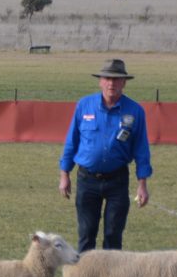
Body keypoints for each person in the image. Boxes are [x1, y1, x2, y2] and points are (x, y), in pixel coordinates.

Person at [58, 58, 152, 252]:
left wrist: (142, 185)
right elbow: (71, 141)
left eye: (117, 79)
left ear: (124, 82)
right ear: (100, 81)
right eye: (107, 79)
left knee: (113, 235)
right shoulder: (84, 105)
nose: (111, 83)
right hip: (87, 179)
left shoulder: (135, 111)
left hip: (117, 180)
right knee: (86, 233)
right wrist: (64, 174)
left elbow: (141, 149)